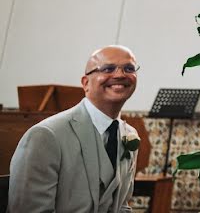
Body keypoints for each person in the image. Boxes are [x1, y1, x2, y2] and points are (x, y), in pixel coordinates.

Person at [9, 45, 141, 213]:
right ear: (85, 83)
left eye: (129, 68)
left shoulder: (129, 135)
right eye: (108, 68)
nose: (120, 74)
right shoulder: (45, 136)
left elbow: (121, 206)